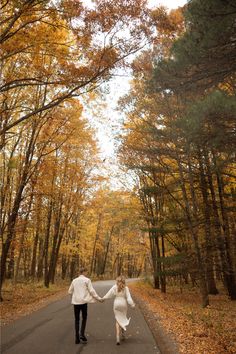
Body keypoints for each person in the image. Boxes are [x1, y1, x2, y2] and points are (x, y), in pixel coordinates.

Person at [68, 267, 103, 344]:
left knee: (77, 320)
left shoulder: (74, 280)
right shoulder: (87, 280)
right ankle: (82, 334)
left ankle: (77, 337)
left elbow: (69, 291)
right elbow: (92, 291)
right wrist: (99, 298)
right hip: (83, 303)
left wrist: (74, 297)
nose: (87, 273)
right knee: (84, 318)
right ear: (83, 272)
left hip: (76, 303)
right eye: (86, 272)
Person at [102, 275, 135, 345]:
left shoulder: (114, 287)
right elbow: (129, 298)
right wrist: (132, 304)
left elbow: (109, 294)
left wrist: (103, 298)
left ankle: (117, 337)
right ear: (124, 281)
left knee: (117, 320)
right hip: (123, 304)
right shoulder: (126, 288)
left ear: (117, 281)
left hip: (116, 303)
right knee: (123, 318)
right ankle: (123, 334)